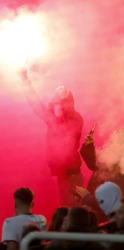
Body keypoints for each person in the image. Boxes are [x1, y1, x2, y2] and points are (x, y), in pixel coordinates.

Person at [19, 69, 84, 207]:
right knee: (66, 210)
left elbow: (71, 118)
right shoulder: (54, 119)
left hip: (73, 175)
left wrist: (63, 98)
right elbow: (36, 104)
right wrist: (26, 81)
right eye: (58, 104)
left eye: (63, 103)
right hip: (62, 173)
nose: (59, 107)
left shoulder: (76, 118)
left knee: (73, 210)